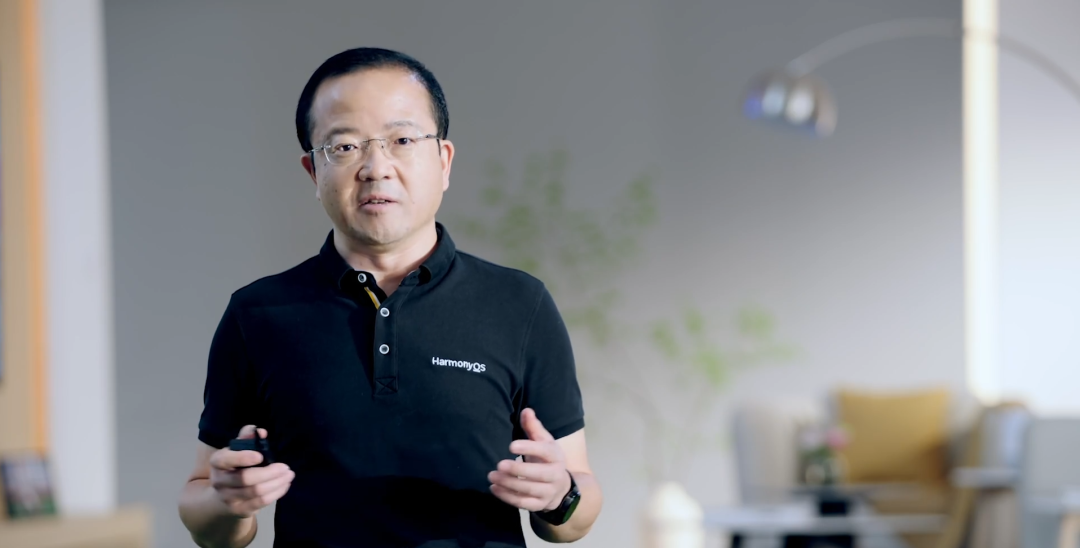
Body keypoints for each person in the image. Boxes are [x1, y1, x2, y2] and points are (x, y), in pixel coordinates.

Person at [177, 47, 602, 548]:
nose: (376, 167)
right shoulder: (258, 314)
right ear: (313, 171)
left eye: (402, 140)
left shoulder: (519, 303)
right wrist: (227, 500)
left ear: (443, 161)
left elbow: (576, 512)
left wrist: (559, 494)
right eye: (344, 146)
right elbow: (205, 505)